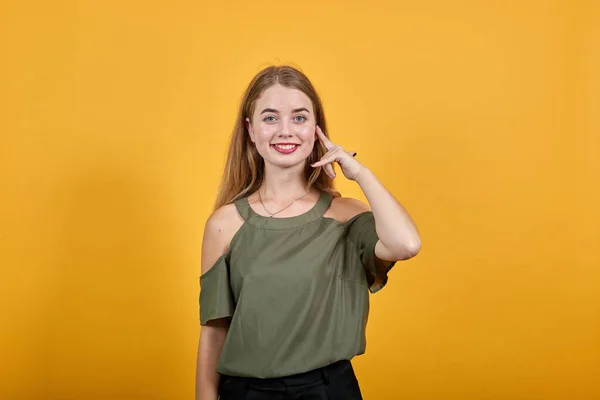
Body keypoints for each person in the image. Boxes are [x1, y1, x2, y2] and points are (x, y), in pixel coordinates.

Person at [195, 65, 421, 400]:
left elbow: (406, 243)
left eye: (299, 118)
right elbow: (214, 332)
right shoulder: (224, 224)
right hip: (246, 393)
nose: (285, 130)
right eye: (270, 118)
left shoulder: (347, 216)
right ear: (251, 130)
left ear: (316, 129)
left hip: (329, 391)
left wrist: (359, 173)